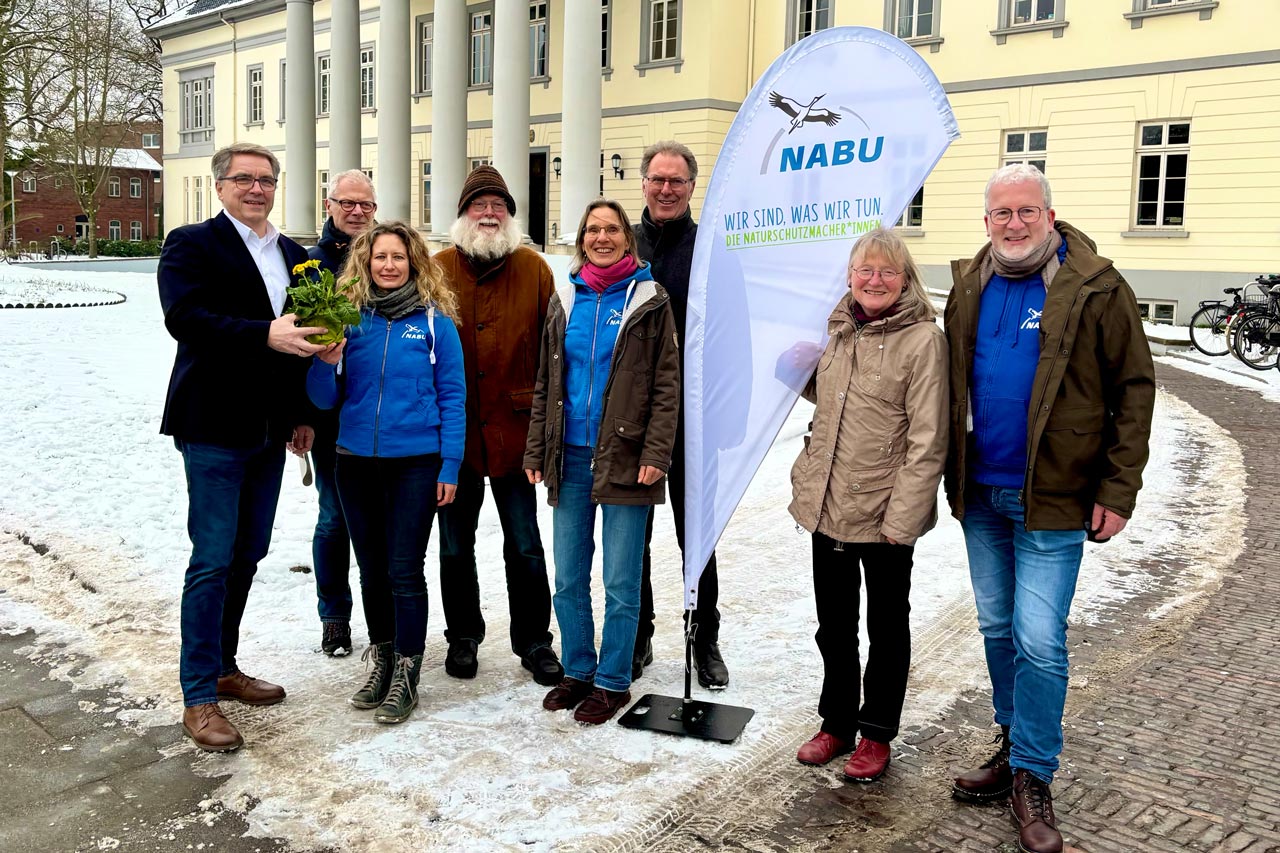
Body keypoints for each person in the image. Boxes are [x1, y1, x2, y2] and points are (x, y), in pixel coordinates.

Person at [945, 164, 1155, 853]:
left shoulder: (1094, 287)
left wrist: (1117, 490)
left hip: (1057, 498)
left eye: (1025, 211)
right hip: (982, 492)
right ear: (986, 222)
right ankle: (1014, 743)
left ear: (1050, 215)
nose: (1013, 223)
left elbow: (1134, 388)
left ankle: (1034, 775)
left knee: (1040, 638)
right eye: (1001, 212)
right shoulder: (969, 286)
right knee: (998, 626)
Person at [159, 142, 327, 752]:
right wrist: (265, 333)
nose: (256, 189)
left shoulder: (292, 255)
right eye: (244, 179)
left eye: (266, 180)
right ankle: (198, 695)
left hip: (269, 430)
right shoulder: (191, 243)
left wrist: (302, 414)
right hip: (211, 426)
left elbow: (303, 340)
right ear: (221, 186)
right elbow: (186, 319)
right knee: (211, 558)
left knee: (248, 551)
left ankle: (225, 667)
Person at [789, 228, 948, 783]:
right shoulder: (838, 330)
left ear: (904, 280)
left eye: (886, 272)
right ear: (850, 276)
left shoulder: (924, 340)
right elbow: (839, 401)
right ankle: (836, 723)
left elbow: (929, 439)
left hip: (885, 513)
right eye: (864, 271)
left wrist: (903, 520)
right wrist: (796, 369)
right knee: (834, 626)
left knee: (885, 627)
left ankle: (876, 733)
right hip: (829, 502)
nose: (873, 281)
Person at [524, 199, 680, 725]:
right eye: (592, 229)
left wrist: (658, 452)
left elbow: (666, 384)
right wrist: (536, 450)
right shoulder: (566, 296)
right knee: (568, 575)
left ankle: (612, 680)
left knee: (620, 578)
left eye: (611, 229)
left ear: (627, 238)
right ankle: (577, 669)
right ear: (581, 238)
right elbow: (547, 381)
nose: (601, 237)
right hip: (568, 456)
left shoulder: (649, 299)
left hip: (627, 455)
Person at [307, 221, 466, 725]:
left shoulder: (436, 323)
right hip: (354, 461)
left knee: (404, 569)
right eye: (380, 257)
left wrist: (451, 463)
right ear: (365, 262)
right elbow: (323, 399)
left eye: (399, 256)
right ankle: (381, 660)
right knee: (371, 569)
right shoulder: (348, 320)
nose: (389, 265)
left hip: (416, 464)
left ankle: (407, 672)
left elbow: (453, 396)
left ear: (414, 262)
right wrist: (323, 363)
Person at [434, 166, 562, 686]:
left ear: (510, 214)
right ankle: (462, 636)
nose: (489, 214)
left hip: (518, 431)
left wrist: (546, 434)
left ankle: (535, 641)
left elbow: (555, 355)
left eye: (499, 206)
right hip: (455, 434)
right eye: (478, 206)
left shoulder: (534, 269)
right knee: (453, 543)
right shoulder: (436, 269)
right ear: (463, 214)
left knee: (525, 542)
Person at [631, 140, 729, 689]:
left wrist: (727, 419)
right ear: (643, 183)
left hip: (696, 415)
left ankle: (703, 636)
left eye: (677, 181)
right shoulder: (624, 246)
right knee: (633, 534)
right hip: (634, 418)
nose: (666, 189)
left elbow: (732, 332)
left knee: (699, 536)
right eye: (657, 179)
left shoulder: (711, 247)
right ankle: (638, 634)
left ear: (692, 188)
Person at [307, 169, 378, 658]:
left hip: (381, 413)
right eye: (346, 203)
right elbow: (294, 348)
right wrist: (301, 415)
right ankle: (334, 616)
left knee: (380, 524)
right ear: (329, 205)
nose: (356, 212)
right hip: (330, 415)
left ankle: (385, 619)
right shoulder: (310, 267)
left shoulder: (388, 258)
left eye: (365, 205)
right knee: (334, 520)